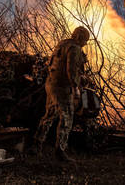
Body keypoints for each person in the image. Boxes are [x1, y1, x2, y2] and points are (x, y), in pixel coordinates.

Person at [32, 26, 90, 162]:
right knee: (67, 117)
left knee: (49, 115)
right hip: (62, 88)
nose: (85, 43)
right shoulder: (74, 48)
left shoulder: (63, 43)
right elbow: (71, 70)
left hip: (51, 83)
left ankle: (36, 145)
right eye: (85, 40)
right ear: (80, 38)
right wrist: (76, 87)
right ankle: (60, 151)